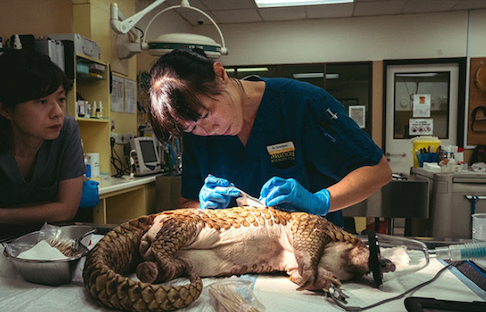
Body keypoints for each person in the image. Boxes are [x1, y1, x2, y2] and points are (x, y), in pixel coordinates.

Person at [148, 49, 392, 227]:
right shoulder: (197, 133)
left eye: (206, 115)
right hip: (239, 255)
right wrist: (202, 208)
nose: (206, 131)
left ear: (220, 74)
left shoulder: (300, 103)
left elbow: (377, 171)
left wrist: (319, 201)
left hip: (311, 244)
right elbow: (186, 202)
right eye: (191, 128)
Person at [0, 49, 85, 226]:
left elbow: (67, 209)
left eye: (61, 99)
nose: (57, 113)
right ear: (6, 110)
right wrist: (47, 209)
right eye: (42, 101)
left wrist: (4, 215)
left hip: (47, 243)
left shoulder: (67, 130)